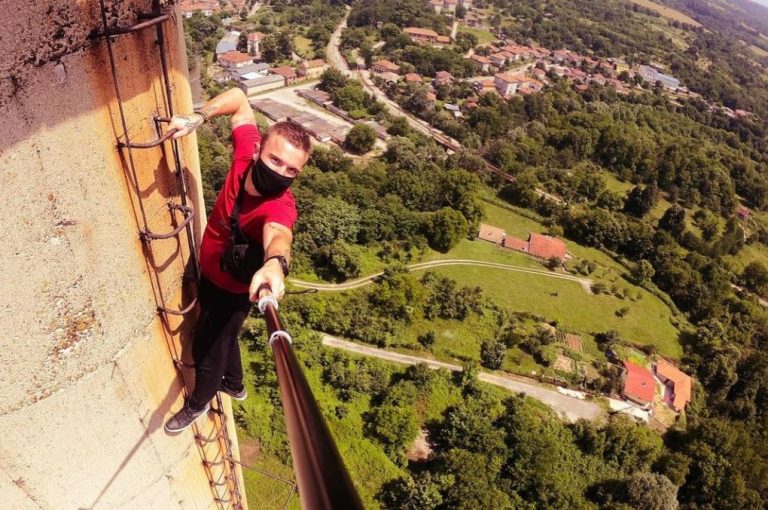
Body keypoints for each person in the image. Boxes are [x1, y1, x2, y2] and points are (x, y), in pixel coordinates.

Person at [164, 88, 312, 433]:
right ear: (259, 149)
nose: (281, 172)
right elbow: (240, 100)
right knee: (224, 337)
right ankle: (234, 384)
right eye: (276, 160)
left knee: (207, 347)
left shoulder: (279, 206)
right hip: (212, 275)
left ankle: (199, 403)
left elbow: (279, 235)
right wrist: (197, 117)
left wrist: (275, 264)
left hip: (234, 292)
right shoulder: (246, 154)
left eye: (291, 170)